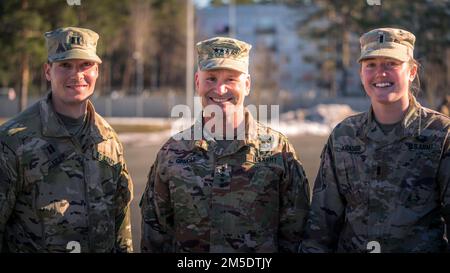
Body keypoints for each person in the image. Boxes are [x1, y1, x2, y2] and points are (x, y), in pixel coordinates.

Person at [140, 37, 310, 253]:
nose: (220, 90)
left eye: (231, 79)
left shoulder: (278, 151)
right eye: (211, 79)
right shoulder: (172, 153)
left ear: (247, 85)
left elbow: (296, 237)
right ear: (197, 82)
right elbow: (155, 238)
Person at [299, 28, 450, 253]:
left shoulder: (440, 134)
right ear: (361, 73)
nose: (380, 73)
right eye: (371, 64)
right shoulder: (344, 136)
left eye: (391, 63)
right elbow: (321, 226)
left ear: (412, 71)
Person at [0, 27, 133, 252]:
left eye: (85, 65)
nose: (77, 75)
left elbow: (121, 225)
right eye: (65, 65)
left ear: (97, 71)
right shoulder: (13, 142)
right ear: (47, 71)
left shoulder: (108, 139)